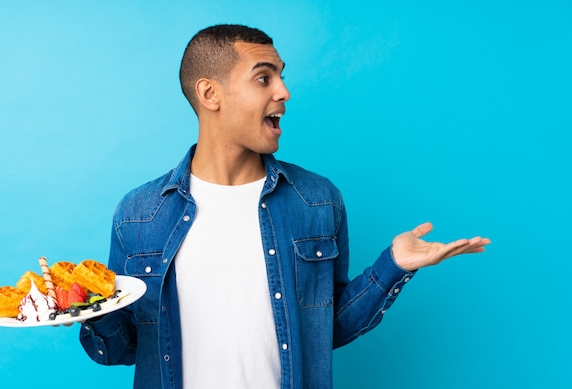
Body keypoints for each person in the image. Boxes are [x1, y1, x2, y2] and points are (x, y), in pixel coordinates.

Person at [79, 24, 490, 389]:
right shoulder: (140, 213)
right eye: (263, 78)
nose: (284, 91)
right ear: (210, 94)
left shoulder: (316, 199)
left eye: (280, 76)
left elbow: (325, 328)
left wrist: (393, 266)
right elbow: (124, 348)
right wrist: (84, 306)